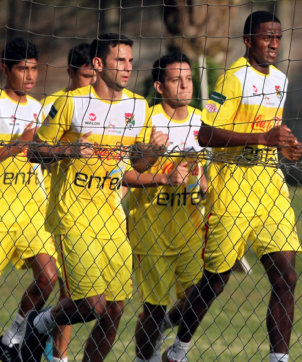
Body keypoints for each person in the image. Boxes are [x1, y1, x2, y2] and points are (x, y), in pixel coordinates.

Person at [161, 11, 302, 362]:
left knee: (286, 277)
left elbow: (272, 132)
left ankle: (278, 358)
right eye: (266, 37)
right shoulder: (231, 79)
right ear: (248, 40)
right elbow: (205, 132)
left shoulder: (282, 80)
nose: (273, 44)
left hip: (270, 184)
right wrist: (261, 137)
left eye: (277, 37)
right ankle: (178, 349)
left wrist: (284, 144)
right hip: (233, 187)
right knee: (215, 281)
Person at [21, 33, 166, 362]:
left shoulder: (138, 107)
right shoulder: (73, 102)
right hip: (72, 216)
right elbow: (34, 152)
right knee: (91, 304)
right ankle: (40, 322)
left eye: (130, 61)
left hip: (112, 218)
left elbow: (136, 165)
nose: (128, 67)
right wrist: (68, 149)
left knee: (113, 310)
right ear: (99, 64)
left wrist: (154, 154)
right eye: (120, 61)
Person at [124, 51, 206, 362]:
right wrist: (156, 160)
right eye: (176, 80)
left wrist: (201, 182)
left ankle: (169, 343)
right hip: (151, 227)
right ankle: (146, 358)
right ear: (160, 87)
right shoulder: (147, 119)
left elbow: (202, 173)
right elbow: (130, 170)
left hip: (189, 226)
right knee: (154, 306)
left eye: (188, 79)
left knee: (199, 297)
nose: (184, 85)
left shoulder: (201, 121)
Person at [0, 37, 59, 362]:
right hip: (0, 211)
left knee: (49, 278)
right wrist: (17, 145)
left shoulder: (40, 110)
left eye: (34, 68)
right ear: (5, 69)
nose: (30, 75)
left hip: (31, 213)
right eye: (23, 68)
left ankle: (14, 334)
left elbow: (44, 159)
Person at [39, 42, 95, 362]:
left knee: (76, 293)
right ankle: (55, 354)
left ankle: (38, 335)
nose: (91, 82)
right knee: (67, 289)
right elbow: (40, 154)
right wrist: (66, 150)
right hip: (59, 206)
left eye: (95, 75)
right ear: (71, 73)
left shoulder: (105, 106)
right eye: (85, 76)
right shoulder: (59, 103)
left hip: (98, 209)